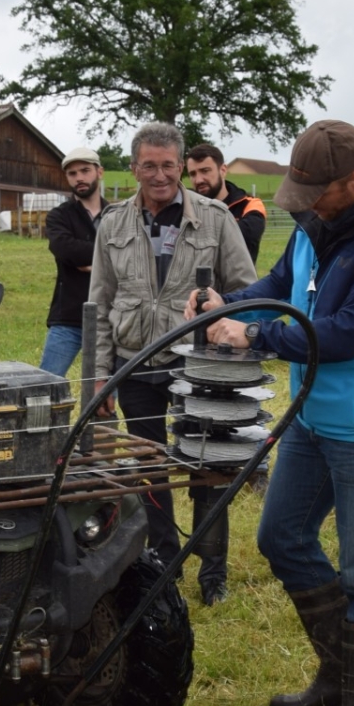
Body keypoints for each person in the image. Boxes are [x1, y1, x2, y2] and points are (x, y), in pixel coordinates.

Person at [190, 119, 354, 706]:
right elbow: (279, 287)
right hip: (313, 417)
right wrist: (226, 305)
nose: (305, 203)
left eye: (315, 192)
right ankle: (334, 673)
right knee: (281, 536)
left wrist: (255, 338)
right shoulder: (320, 220)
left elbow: (343, 334)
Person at [88, 122, 256, 605]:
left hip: (198, 363)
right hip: (134, 360)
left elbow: (246, 289)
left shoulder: (216, 217)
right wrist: (102, 374)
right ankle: (163, 560)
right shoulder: (113, 223)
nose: (158, 175)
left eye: (167, 165)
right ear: (134, 167)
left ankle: (212, 573)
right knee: (147, 465)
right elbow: (99, 304)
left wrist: (226, 328)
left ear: (180, 166)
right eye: (148, 166)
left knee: (208, 463)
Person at [39, 147, 104, 377]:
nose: (79, 178)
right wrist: (107, 260)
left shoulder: (117, 215)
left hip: (109, 318)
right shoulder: (59, 216)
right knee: (45, 385)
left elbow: (128, 256)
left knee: (105, 393)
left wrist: (89, 261)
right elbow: (65, 250)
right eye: (72, 173)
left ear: (99, 172)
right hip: (67, 317)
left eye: (85, 170)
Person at [186, 143, 268, 265]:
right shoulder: (186, 206)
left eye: (205, 171)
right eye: (193, 174)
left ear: (223, 170)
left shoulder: (250, 205)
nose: (198, 180)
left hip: (240, 282)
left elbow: (244, 238)